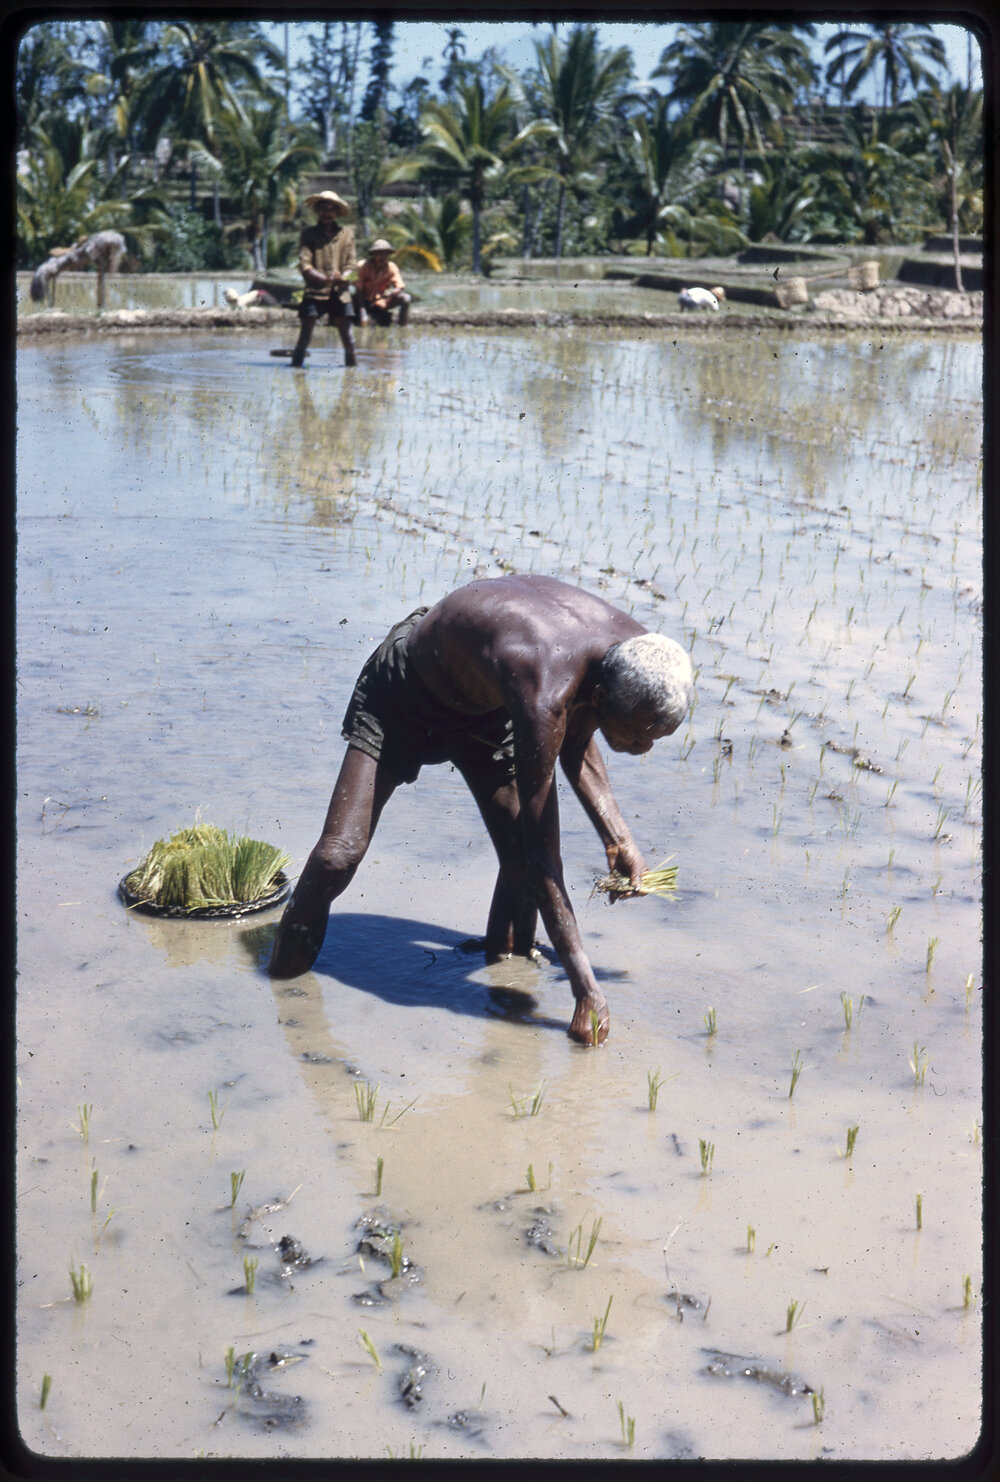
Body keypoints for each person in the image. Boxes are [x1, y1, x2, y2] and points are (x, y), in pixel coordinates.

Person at [268, 574, 693, 1046]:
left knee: (516, 870)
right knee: (338, 855)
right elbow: (544, 855)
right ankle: (282, 991)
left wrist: (620, 841)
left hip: (487, 709)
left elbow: (575, 739)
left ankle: (506, 1005)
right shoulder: (545, 688)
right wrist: (586, 990)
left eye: (655, 738)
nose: (645, 747)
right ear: (600, 698)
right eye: (639, 735)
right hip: (405, 693)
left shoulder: (635, 654)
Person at [290, 190, 358, 369]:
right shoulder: (309, 234)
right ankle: (296, 372)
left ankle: (352, 375)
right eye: (323, 209)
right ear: (318, 211)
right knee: (305, 337)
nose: (327, 213)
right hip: (315, 291)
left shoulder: (347, 234)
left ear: (336, 212)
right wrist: (324, 279)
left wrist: (343, 277)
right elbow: (305, 264)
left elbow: (352, 264)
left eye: (331, 209)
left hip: (340, 293)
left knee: (349, 339)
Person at [354, 239, 411, 326]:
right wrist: (362, 310)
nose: (383, 257)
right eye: (379, 254)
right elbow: (357, 290)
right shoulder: (363, 266)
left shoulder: (391, 267)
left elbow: (399, 286)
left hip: (382, 301)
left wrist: (390, 292)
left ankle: (402, 326)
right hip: (364, 301)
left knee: (406, 298)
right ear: (373, 255)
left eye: (385, 254)